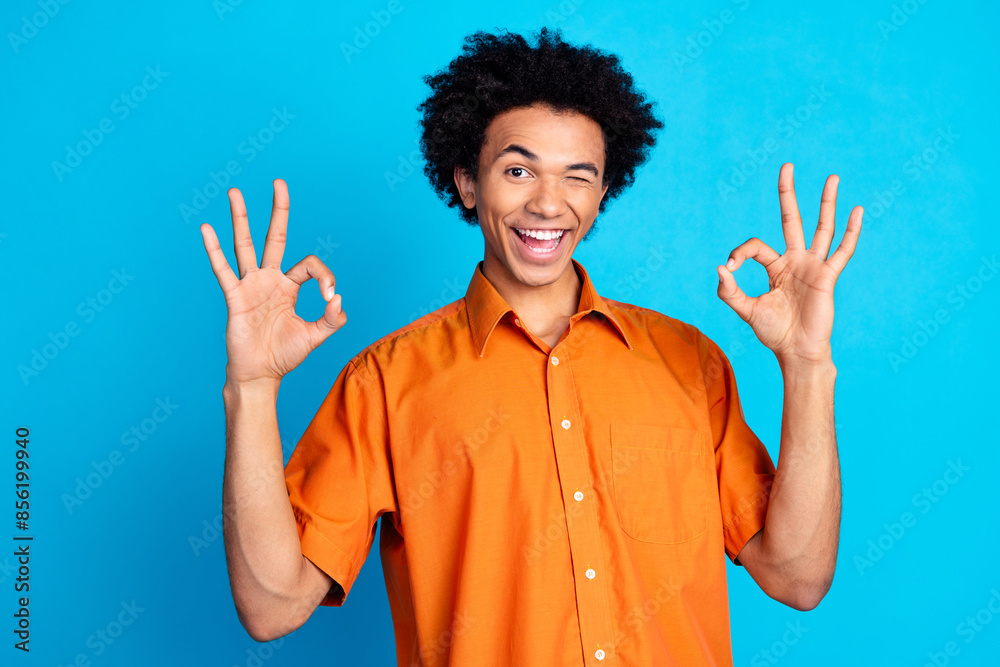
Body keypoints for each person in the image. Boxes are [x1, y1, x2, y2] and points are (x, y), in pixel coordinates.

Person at [199, 27, 861, 666]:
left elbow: (796, 577)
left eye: (578, 176)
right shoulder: (386, 382)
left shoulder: (688, 362)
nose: (549, 203)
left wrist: (806, 367)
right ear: (466, 181)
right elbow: (272, 607)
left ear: (603, 191)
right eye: (519, 170)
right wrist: (252, 389)